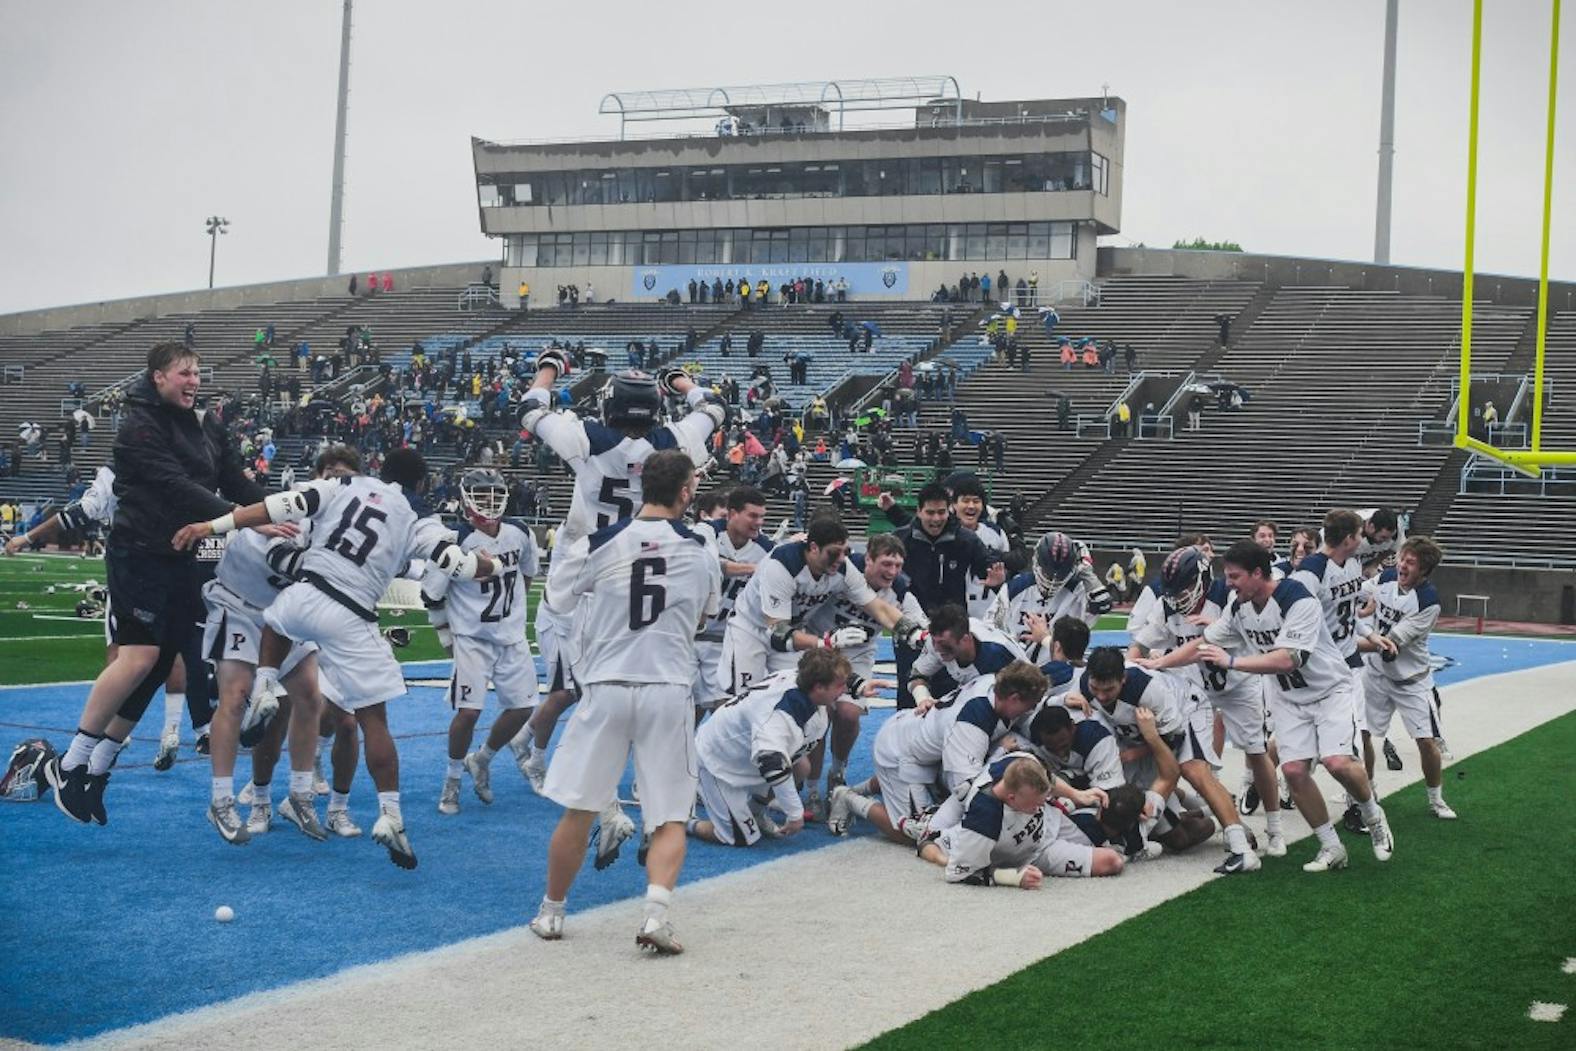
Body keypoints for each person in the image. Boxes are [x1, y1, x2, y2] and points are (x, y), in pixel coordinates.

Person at [45, 343, 263, 826]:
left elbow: (235, 479)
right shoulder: (137, 426)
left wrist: (277, 510)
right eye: (184, 372)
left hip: (182, 556)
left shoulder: (206, 424)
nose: (194, 380)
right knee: (139, 657)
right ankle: (70, 763)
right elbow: (175, 486)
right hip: (140, 554)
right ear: (158, 377)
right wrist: (243, 518)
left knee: (163, 661)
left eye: (198, 373)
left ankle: (98, 770)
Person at [514, 352, 724, 844]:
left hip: (595, 563)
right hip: (658, 562)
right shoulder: (675, 441)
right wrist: (684, 383)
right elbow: (715, 408)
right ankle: (619, 796)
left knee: (597, 688)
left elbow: (528, 408)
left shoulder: (586, 436)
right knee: (646, 680)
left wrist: (550, 368)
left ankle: (592, 792)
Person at [529, 450, 721, 954]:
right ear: (685, 491)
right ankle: (656, 914)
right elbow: (706, 614)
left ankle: (551, 913)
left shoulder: (598, 543)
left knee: (580, 810)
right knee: (671, 814)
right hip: (666, 687)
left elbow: (559, 603)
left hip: (607, 684)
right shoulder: (701, 547)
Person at [1143, 540, 1393, 873]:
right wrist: (1161, 665)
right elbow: (1203, 643)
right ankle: (1331, 846)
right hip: (1289, 698)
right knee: (1292, 770)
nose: (1228, 584)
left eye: (1234, 577)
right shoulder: (1239, 607)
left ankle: (1373, 815)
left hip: (1329, 690)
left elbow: (1289, 658)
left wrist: (1232, 661)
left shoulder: (1297, 599)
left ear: (1258, 574)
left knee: (1337, 763)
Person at [196, 447, 362, 844]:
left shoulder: (345, 524)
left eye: (347, 478)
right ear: (318, 476)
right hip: (239, 605)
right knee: (235, 699)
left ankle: (300, 794)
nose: (339, 484)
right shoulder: (296, 505)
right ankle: (220, 801)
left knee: (308, 696)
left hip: (285, 613)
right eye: (333, 475)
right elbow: (287, 560)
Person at [1133, 545, 1285, 854]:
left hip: (1238, 683)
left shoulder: (1229, 597)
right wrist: (1135, 666)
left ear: (1202, 578)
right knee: (1192, 763)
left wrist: (1164, 659)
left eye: (1186, 587)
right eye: (1174, 590)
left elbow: (1208, 643)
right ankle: (1229, 820)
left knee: (1256, 753)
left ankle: (1275, 827)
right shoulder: (1166, 607)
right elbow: (1138, 645)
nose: (1180, 596)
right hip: (1194, 691)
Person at [1069, 646, 1262, 874]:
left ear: (1123, 679)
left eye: (1108, 690)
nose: (1101, 696)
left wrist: (1140, 748)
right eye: (1095, 689)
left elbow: (1171, 749)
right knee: (1134, 787)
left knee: (1192, 770)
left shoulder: (1149, 690)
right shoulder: (1084, 684)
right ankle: (1210, 809)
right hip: (1141, 732)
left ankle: (1241, 850)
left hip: (1185, 713)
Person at [423, 469, 541, 816]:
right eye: (481, 494)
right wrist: (447, 639)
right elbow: (432, 595)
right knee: (469, 712)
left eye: (494, 493)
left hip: (511, 635)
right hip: (472, 637)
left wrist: (513, 613)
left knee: (522, 707)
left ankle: (482, 758)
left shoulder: (519, 532)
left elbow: (528, 573)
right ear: (465, 498)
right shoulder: (454, 541)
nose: (489, 501)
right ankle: (452, 780)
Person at [828, 662, 1047, 842]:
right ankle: (848, 797)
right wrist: (998, 754)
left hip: (920, 740)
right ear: (1014, 698)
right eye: (1030, 705)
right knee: (921, 834)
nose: (1031, 710)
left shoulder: (996, 682)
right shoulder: (970, 724)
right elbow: (966, 791)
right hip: (899, 751)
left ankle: (863, 788)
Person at [719, 514, 924, 695]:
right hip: (753, 629)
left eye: (845, 551)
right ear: (814, 547)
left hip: (794, 633)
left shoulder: (843, 568)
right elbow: (777, 633)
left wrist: (913, 632)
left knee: (804, 700)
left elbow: (876, 607)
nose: (841, 559)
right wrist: (824, 643)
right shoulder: (782, 565)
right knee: (745, 699)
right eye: (834, 552)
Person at [690, 650, 851, 847]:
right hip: (718, 763)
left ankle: (756, 811)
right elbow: (772, 764)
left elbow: (831, 673)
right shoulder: (776, 719)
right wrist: (794, 813)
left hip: (747, 751)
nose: (845, 689)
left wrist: (859, 685)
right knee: (741, 837)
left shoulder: (804, 678)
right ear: (819, 687)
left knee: (802, 768)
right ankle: (684, 823)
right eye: (840, 686)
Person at [918, 752, 1122, 886]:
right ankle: (924, 821)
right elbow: (958, 873)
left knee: (1113, 855)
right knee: (930, 844)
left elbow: (1046, 778)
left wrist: (1076, 794)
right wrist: (1012, 877)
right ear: (1011, 798)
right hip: (1024, 857)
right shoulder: (983, 820)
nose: (1038, 808)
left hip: (1046, 828)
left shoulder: (1020, 762)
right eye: (1034, 804)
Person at [1293, 509, 1377, 832]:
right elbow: (1296, 616)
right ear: (1347, 539)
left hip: (1348, 661)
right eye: (1359, 535)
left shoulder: (1353, 562)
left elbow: (1351, 613)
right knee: (1298, 745)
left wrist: (1369, 634)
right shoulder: (1310, 572)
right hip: (1322, 666)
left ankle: (1359, 804)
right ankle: (1257, 779)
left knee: (1356, 737)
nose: (1363, 540)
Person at [1359, 536, 1455, 819]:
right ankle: (1366, 790)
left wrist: (1342, 644)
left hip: (1410, 680)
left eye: (1410, 562)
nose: (1402, 565)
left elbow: (1389, 642)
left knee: (1426, 742)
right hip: (1375, 674)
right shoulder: (1385, 577)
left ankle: (1436, 798)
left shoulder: (1428, 603)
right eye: (1402, 558)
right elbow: (1357, 593)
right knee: (1360, 733)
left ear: (1424, 570)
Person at [692, 487, 773, 712]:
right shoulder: (706, 531)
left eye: (762, 516)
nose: (759, 522)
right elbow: (711, 563)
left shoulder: (766, 548)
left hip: (724, 640)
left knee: (724, 709)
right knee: (685, 711)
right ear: (733, 513)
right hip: (688, 636)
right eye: (753, 516)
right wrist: (756, 569)